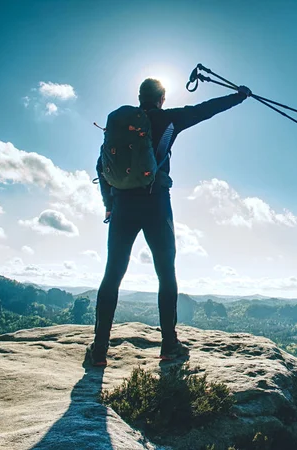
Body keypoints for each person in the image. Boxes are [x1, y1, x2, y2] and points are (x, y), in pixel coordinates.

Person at [87, 78, 251, 366]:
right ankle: (168, 344)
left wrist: (109, 205)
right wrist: (238, 97)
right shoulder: (168, 120)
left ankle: (99, 350)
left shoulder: (120, 125)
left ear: (140, 98)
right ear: (161, 99)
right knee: (166, 272)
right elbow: (205, 110)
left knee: (112, 273)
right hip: (156, 203)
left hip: (123, 204)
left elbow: (102, 166)